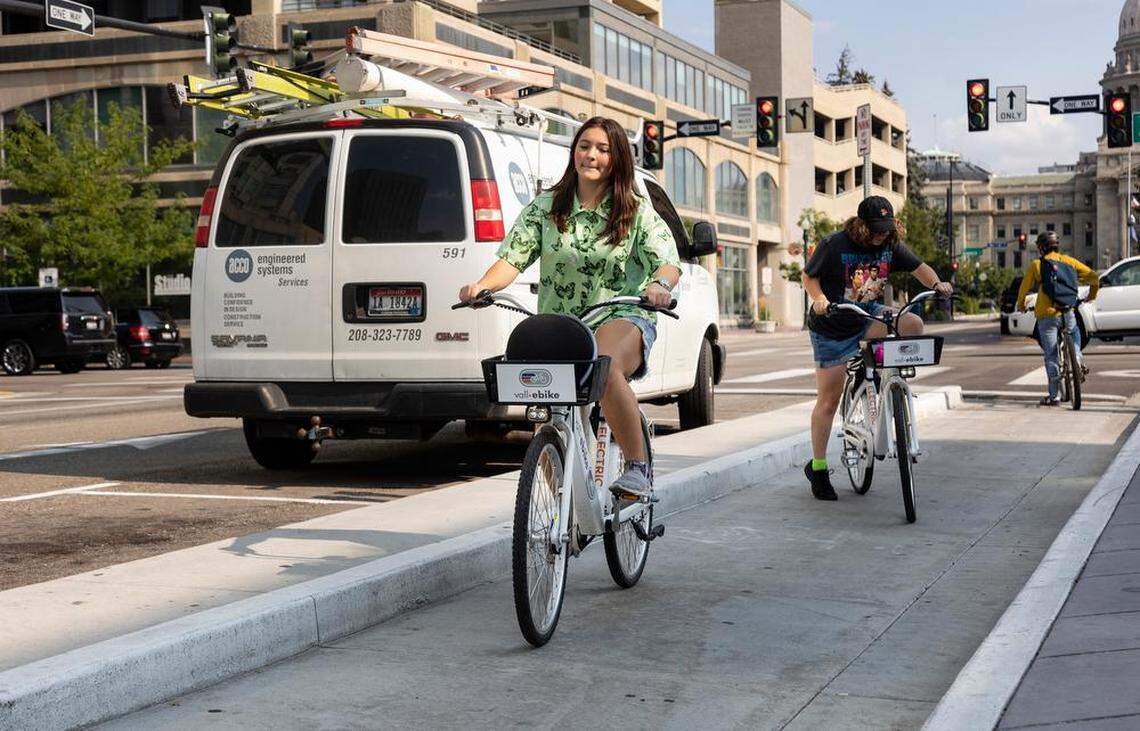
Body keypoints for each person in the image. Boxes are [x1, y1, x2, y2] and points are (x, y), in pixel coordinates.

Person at [458, 116, 681, 500]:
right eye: (584, 146)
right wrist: (482, 285)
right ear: (573, 151)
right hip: (563, 323)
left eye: (602, 149)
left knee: (605, 368)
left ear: (617, 160)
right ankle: (564, 503)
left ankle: (637, 467)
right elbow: (512, 259)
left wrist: (659, 286)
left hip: (620, 313)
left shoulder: (634, 209)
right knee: (544, 404)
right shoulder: (548, 206)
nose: (590, 155)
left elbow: (667, 261)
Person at [801, 196, 953, 501]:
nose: (881, 235)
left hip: (866, 315)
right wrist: (819, 300)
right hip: (831, 325)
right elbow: (809, 276)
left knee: (911, 324)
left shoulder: (890, 245)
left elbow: (919, 268)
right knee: (828, 401)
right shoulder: (835, 243)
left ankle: (889, 381)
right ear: (861, 225)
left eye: (886, 228)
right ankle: (817, 468)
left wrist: (938, 285)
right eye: (876, 230)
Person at [1015, 231, 1099, 406]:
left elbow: (1023, 291)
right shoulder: (1069, 261)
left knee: (1051, 354)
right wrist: (1091, 295)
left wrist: (1022, 306)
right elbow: (1093, 277)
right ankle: (1076, 357)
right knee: (1074, 333)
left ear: (1041, 248)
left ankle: (1055, 397)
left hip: (1047, 315)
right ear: (1056, 246)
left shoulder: (1037, 265)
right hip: (1067, 310)